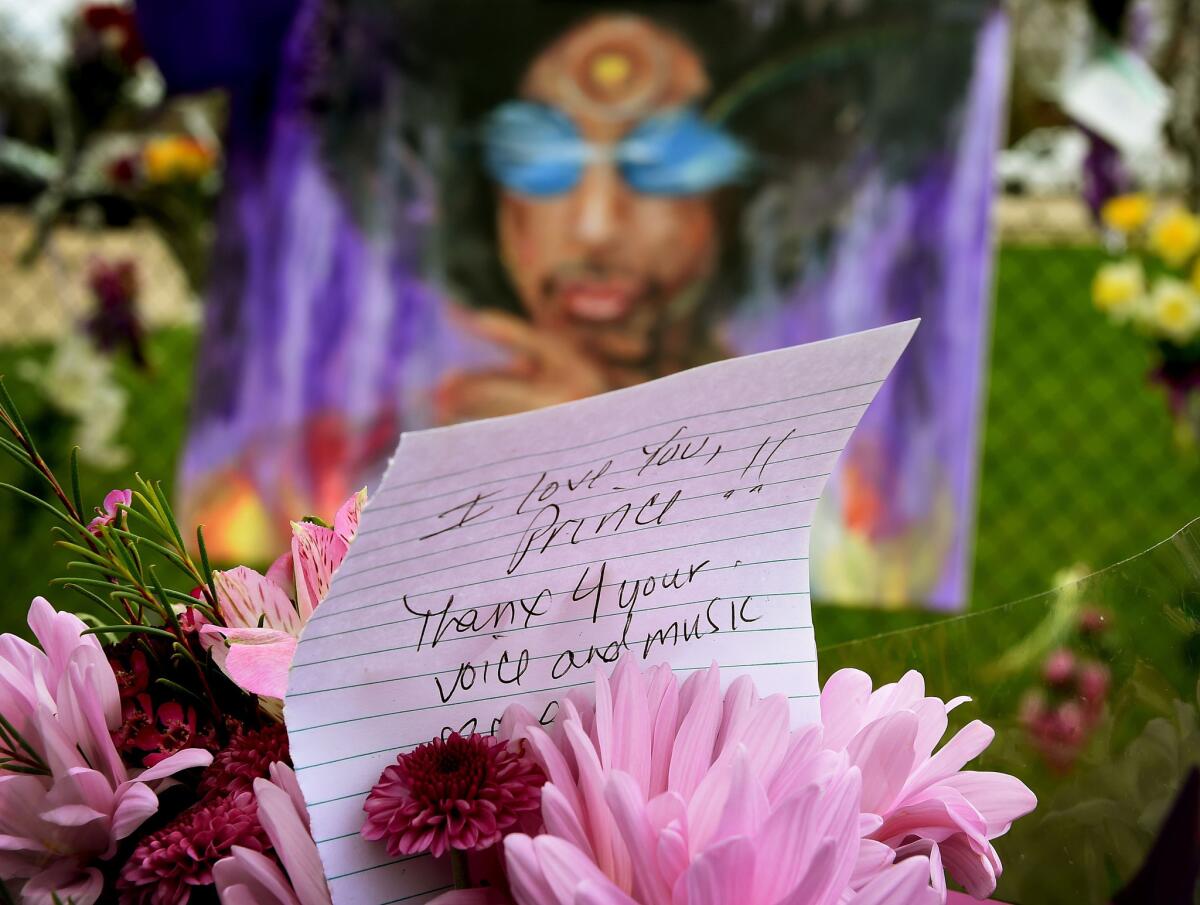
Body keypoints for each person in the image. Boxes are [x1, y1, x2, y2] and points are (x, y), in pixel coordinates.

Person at [434, 14, 747, 423]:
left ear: (733, 199)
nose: (596, 226)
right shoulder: (359, 461)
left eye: (664, 159)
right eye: (540, 155)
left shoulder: (834, 460)